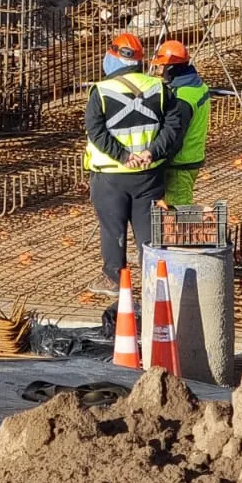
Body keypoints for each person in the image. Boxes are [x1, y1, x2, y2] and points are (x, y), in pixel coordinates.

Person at [83, 31, 185, 296]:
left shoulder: (102, 91)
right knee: (148, 233)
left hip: (110, 176)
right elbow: (173, 126)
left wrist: (123, 156)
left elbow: (96, 131)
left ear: (114, 56)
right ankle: (155, 280)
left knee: (112, 230)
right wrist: (152, 152)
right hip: (148, 175)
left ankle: (114, 278)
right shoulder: (159, 88)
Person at [152, 39, 212, 208]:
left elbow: (175, 135)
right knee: (176, 209)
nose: (159, 71)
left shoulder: (182, 98)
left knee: (179, 212)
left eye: (161, 66)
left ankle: (213, 228)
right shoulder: (196, 85)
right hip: (190, 157)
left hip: (179, 164)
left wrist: (159, 160)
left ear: (170, 68)